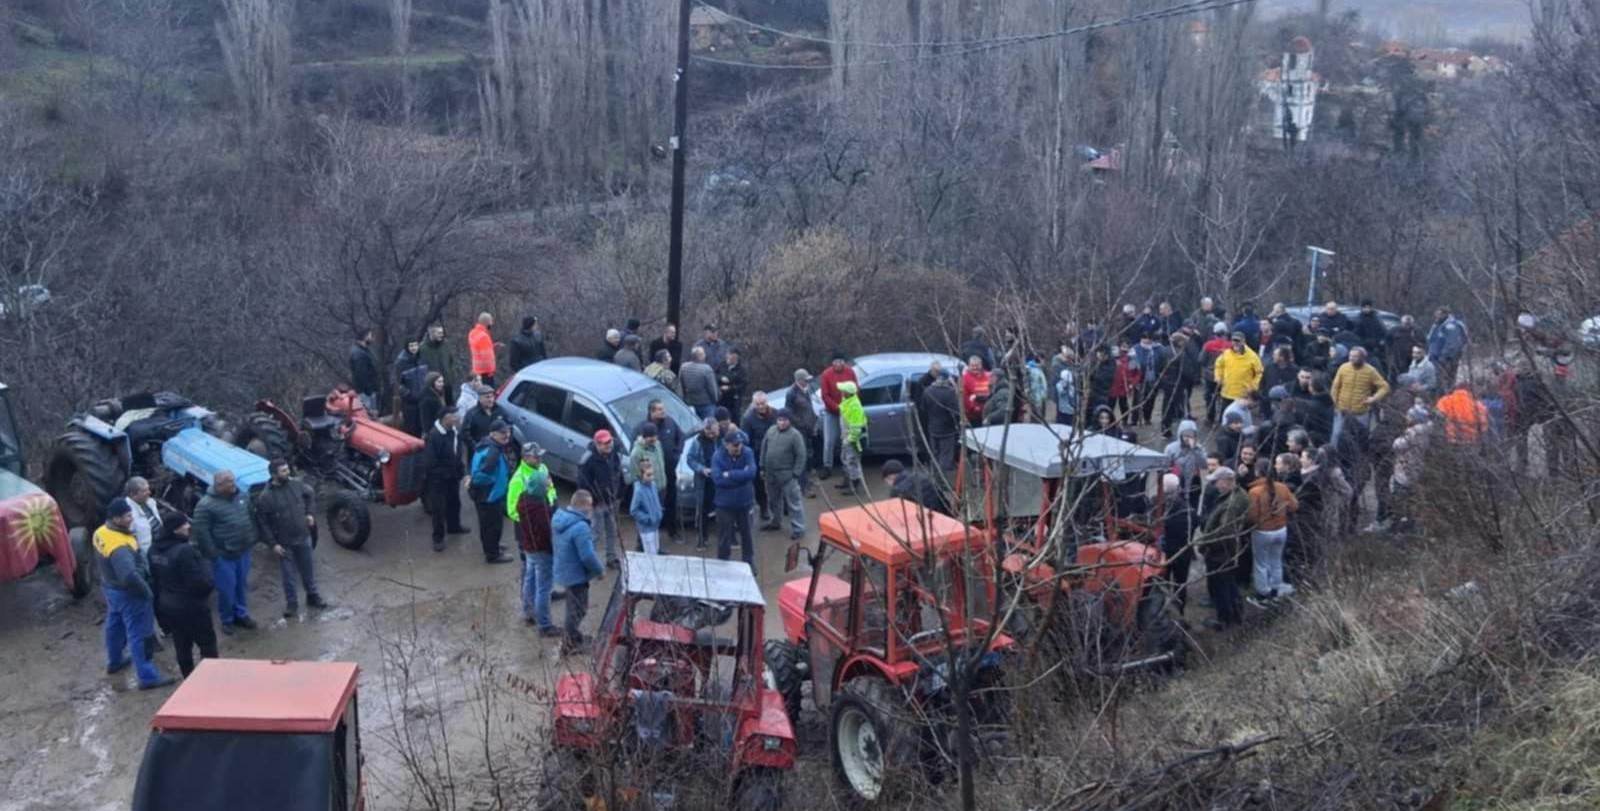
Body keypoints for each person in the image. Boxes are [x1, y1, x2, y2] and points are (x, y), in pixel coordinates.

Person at [96, 498, 174, 689]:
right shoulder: (120, 547)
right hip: (130, 593)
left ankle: (115, 660)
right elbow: (129, 575)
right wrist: (147, 592)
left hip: (110, 588)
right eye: (128, 516)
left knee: (114, 624)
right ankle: (147, 676)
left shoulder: (101, 532)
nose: (131, 519)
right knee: (141, 634)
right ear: (116, 519)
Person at [253, 459, 328, 618]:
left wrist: (309, 513)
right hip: (284, 542)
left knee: (308, 569)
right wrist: (273, 544)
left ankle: (312, 596)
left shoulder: (297, 484)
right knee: (288, 576)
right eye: (284, 471)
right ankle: (292, 604)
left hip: (302, 536)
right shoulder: (265, 498)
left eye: (287, 469)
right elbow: (263, 523)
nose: (288, 473)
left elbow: (310, 495)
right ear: (274, 475)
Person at [148, 511, 217, 678]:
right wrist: (209, 585)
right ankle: (213, 679)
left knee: (182, 645)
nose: (188, 526)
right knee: (207, 644)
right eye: (184, 524)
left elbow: (155, 579)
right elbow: (199, 583)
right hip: (192, 607)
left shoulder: (153, 550)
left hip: (169, 606)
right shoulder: (185, 551)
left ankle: (188, 679)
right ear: (175, 530)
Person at [193, 470, 258, 635]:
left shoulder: (242, 497)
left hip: (243, 551)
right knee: (226, 589)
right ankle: (227, 619)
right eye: (229, 481)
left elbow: (251, 516)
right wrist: (214, 554)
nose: (233, 484)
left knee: (241, 585)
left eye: (233, 480)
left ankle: (241, 614)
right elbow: (201, 532)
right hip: (224, 556)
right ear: (219, 485)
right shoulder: (205, 505)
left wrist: (253, 537)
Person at [509, 443, 558, 635]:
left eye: (540, 456)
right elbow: (512, 510)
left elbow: (551, 488)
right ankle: (541, 620)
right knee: (538, 580)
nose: (540, 460)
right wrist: (534, 519)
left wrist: (551, 501)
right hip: (530, 533)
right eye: (536, 457)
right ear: (525, 457)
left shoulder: (542, 469)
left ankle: (529, 608)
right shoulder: (518, 479)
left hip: (539, 520)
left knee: (531, 573)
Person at [552, 490, 604, 655]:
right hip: (576, 575)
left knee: (573, 607)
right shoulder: (580, 526)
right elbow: (587, 555)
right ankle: (570, 642)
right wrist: (599, 571)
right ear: (585, 505)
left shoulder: (561, 518)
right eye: (590, 504)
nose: (592, 508)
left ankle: (573, 636)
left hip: (565, 570)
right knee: (578, 609)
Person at [1197, 468, 1249, 632]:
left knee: (1221, 586)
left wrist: (1206, 543)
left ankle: (1224, 620)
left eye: (1216, 481)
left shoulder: (1233, 502)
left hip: (1222, 551)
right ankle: (1236, 614)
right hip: (1226, 549)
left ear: (1227, 481)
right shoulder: (1235, 495)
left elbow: (1225, 531)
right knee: (1229, 584)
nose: (1214, 485)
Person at [1246, 460, 1299, 605]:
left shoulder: (1254, 492)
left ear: (1257, 472)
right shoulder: (1282, 487)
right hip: (1281, 529)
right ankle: (1276, 588)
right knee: (1276, 560)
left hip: (1262, 532)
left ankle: (1263, 594)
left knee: (1261, 564)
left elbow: (1252, 516)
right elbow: (1294, 506)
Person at [469, 420, 517, 564]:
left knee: (488, 525)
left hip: (487, 495)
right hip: (489, 496)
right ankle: (492, 554)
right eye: (503, 433)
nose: (506, 435)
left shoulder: (489, 445)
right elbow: (480, 476)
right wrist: (492, 482)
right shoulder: (493, 451)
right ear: (493, 434)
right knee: (492, 526)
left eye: (508, 432)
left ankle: (492, 546)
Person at [577, 430, 624, 569]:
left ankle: (611, 558)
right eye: (605, 443)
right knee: (595, 534)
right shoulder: (588, 460)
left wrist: (619, 495)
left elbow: (618, 474)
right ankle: (588, 561)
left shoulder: (613, 455)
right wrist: (592, 502)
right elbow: (582, 484)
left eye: (609, 442)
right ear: (597, 444)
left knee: (612, 531)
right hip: (596, 504)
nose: (609, 445)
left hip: (611, 501)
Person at [638, 400, 684, 543]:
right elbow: (635, 452)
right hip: (651, 476)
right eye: (659, 410)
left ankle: (672, 531)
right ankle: (645, 539)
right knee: (650, 505)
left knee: (671, 500)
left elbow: (680, 437)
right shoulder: (642, 428)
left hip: (669, 471)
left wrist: (677, 453)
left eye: (663, 409)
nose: (663, 412)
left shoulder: (670, 422)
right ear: (651, 412)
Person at [424, 410, 470, 551]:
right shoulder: (434, 436)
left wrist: (459, 468)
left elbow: (457, 452)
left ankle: (454, 526)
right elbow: (431, 462)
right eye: (452, 417)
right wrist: (443, 473)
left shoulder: (453, 432)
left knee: (454, 502)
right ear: (444, 419)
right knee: (439, 508)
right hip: (438, 479)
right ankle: (438, 538)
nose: (456, 418)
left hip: (452, 476)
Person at [712, 430, 758, 566]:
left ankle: (749, 562)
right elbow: (718, 479)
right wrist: (741, 476)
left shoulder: (747, 452)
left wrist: (730, 474)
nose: (738, 447)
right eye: (735, 445)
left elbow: (751, 473)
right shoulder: (717, 456)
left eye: (740, 444)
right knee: (724, 537)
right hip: (724, 505)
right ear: (726, 445)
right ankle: (723, 564)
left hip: (745, 503)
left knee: (747, 535)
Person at [760, 409, 808, 538]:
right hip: (770, 475)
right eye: (779, 420)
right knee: (773, 500)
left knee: (794, 503)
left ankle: (798, 528)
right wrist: (762, 466)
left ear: (789, 421)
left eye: (784, 420)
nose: (781, 423)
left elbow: (801, 455)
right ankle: (775, 521)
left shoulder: (795, 435)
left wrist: (796, 473)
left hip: (788, 476)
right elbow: (764, 448)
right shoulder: (771, 431)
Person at [1330, 346, 1390, 446]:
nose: (1351, 358)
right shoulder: (1343, 368)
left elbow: (1385, 387)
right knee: (1336, 436)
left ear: (1362, 358)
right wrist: (1335, 403)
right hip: (1342, 410)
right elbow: (1335, 387)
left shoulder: (1370, 371)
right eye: (1350, 356)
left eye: (1355, 356)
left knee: (1359, 438)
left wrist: (1374, 398)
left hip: (1360, 412)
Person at [1159, 473, 1197, 616]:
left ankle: (1163, 611)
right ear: (1178, 488)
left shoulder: (1159, 508)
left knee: (1163, 583)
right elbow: (1197, 522)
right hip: (1183, 551)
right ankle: (1180, 612)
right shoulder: (1188, 510)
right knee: (1180, 584)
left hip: (1165, 552)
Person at [818, 352, 859, 479]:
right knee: (829, 441)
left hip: (847, 412)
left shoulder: (850, 372)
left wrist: (849, 406)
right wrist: (837, 407)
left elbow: (855, 389)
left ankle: (847, 469)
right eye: (836, 361)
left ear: (844, 362)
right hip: (832, 412)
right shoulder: (826, 374)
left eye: (840, 361)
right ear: (832, 363)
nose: (838, 364)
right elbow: (825, 395)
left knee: (846, 440)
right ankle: (827, 466)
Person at [741, 393, 778, 523]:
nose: (761, 406)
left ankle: (780, 507)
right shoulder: (747, 419)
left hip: (774, 452)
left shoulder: (775, 414)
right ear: (753, 404)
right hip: (757, 454)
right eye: (758, 404)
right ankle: (763, 507)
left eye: (763, 403)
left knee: (778, 481)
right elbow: (745, 440)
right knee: (759, 484)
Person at [685, 418, 721, 550]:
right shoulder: (697, 442)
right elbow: (690, 459)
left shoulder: (722, 439)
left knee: (722, 509)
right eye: (708, 432)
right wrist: (702, 469)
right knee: (702, 512)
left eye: (713, 432)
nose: (711, 435)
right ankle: (702, 538)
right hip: (703, 481)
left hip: (719, 480)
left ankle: (726, 537)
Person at [786, 369, 821, 491]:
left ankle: (807, 481)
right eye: (806, 380)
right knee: (802, 457)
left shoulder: (805, 390)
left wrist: (814, 420)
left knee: (809, 455)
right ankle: (803, 486)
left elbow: (809, 407)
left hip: (809, 429)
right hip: (800, 430)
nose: (808, 382)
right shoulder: (791, 393)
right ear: (799, 380)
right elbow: (788, 412)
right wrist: (801, 424)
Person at [1214, 331, 1263, 414]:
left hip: (1243, 394)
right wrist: (1218, 377)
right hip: (1227, 392)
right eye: (1233, 340)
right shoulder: (1226, 353)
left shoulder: (1253, 356)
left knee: (1241, 417)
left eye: (1238, 341)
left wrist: (1253, 387)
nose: (1235, 343)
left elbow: (1259, 372)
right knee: (1225, 415)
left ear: (1244, 341)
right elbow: (1218, 366)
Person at [882, 460, 949, 516]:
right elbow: (942, 499)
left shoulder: (896, 491)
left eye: (886, 482)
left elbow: (895, 515)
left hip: (923, 522)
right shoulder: (922, 477)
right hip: (941, 516)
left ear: (890, 478)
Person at [463, 383, 514, 456]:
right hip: (479, 453)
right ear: (480, 398)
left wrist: (507, 441)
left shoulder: (500, 410)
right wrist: (476, 447)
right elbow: (464, 434)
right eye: (487, 397)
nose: (491, 399)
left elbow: (510, 425)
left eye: (492, 396)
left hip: (499, 451)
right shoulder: (471, 414)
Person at [838, 380, 868, 496]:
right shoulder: (848, 401)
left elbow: (856, 428)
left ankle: (854, 487)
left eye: (843, 391)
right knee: (845, 459)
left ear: (847, 393)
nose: (841, 392)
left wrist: (849, 440)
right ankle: (848, 481)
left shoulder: (854, 406)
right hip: (846, 437)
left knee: (852, 462)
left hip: (853, 441)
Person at [394, 339, 430, 435]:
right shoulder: (401, 363)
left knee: (424, 426)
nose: (414, 348)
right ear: (407, 347)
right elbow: (396, 383)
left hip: (423, 399)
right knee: (411, 428)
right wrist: (408, 394)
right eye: (411, 346)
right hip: (409, 402)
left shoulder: (423, 359)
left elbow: (427, 376)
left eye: (415, 345)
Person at [1164, 420, 1206, 498]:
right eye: (1186, 436)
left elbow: (1204, 465)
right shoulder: (1171, 448)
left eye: (1191, 436)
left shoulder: (1198, 448)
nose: (1188, 439)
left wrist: (1195, 450)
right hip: (1177, 481)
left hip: (1194, 482)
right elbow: (1165, 466)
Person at [1200, 323, 1233, 423]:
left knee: (1209, 397)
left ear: (1215, 333)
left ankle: (1210, 417)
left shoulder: (1209, 345)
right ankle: (1222, 418)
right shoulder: (1230, 346)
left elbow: (1201, 359)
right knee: (1224, 397)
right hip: (1225, 376)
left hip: (1209, 375)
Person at [630, 461, 664, 555]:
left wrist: (658, 512)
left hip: (655, 525)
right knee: (650, 555)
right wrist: (647, 519)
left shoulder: (653, 485)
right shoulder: (639, 491)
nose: (651, 478)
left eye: (652, 474)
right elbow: (634, 510)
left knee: (656, 551)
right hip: (646, 528)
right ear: (641, 475)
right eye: (648, 475)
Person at [418, 324, 460, 394]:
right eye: (439, 333)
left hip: (447, 384)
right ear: (431, 333)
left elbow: (451, 361)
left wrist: (452, 375)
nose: (442, 335)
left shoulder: (446, 345)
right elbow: (421, 368)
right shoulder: (422, 349)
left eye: (442, 333)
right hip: (432, 387)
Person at [679, 347, 719, 420]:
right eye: (703, 353)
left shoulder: (683, 367)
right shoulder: (706, 369)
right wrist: (715, 400)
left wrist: (683, 399)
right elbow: (712, 389)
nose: (705, 355)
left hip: (689, 402)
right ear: (699, 356)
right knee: (709, 425)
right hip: (706, 403)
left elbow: (681, 386)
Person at [349, 327, 381, 414]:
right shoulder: (359, 354)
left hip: (368, 391)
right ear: (365, 337)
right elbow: (361, 375)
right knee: (369, 415)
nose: (372, 338)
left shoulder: (364, 351)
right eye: (370, 336)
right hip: (365, 394)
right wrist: (369, 391)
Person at [467, 313, 500, 388]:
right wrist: (491, 371)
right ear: (486, 322)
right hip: (485, 374)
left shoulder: (472, 333)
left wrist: (492, 347)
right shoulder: (484, 336)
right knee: (487, 395)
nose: (492, 324)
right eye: (491, 321)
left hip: (476, 370)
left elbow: (479, 349)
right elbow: (487, 358)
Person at [960, 355, 993, 426]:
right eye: (972, 366)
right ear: (968, 366)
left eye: (977, 365)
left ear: (981, 365)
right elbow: (964, 397)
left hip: (989, 412)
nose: (975, 368)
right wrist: (974, 408)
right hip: (973, 415)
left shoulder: (988, 376)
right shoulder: (965, 379)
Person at [718, 348, 749, 417]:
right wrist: (721, 378)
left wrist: (730, 388)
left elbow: (743, 385)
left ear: (735, 357)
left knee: (734, 418)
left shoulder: (741, 370)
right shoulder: (722, 365)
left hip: (734, 401)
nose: (727, 357)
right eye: (727, 355)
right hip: (721, 399)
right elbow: (715, 375)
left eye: (730, 356)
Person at [418, 372, 449, 438]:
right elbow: (425, 420)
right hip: (433, 432)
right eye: (439, 382)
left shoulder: (439, 393)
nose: (442, 384)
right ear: (432, 383)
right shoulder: (426, 399)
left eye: (442, 381)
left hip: (442, 428)